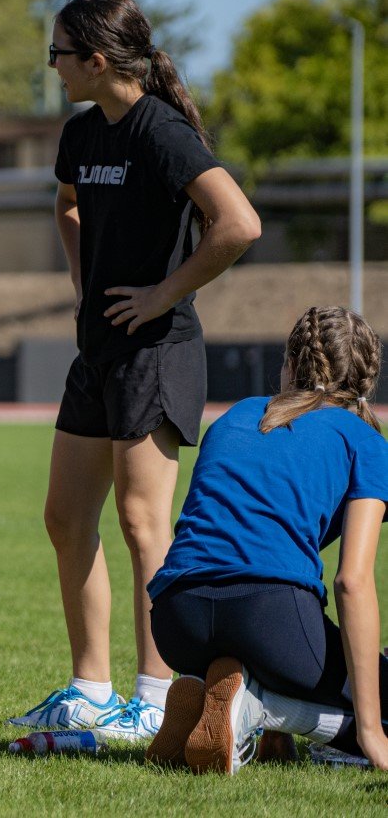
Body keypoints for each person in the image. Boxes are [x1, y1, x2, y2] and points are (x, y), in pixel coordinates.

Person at [11, 0, 262, 741]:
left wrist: (162, 294)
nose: (51, 66)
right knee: (65, 518)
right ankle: (90, 690)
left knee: (142, 522)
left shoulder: (162, 132)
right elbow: (66, 204)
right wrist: (84, 284)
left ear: (95, 60)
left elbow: (238, 224)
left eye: (58, 53)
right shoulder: (82, 132)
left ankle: (154, 698)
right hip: (99, 352)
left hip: (159, 351)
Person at [142, 307, 388, 774]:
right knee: (376, 692)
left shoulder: (238, 415)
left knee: (274, 633)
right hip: (267, 617)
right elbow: (352, 583)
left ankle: (208, 702)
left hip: (176, 620)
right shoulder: (364, 440)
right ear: (365, 381)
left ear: (289, 366)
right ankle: (260, 708)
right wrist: (371, 731)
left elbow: (233, 533)